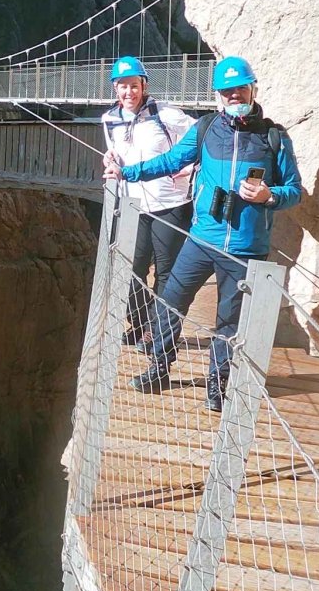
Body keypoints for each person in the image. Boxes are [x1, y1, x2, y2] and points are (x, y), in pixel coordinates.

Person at [104, 56, 302, 412]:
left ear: (253, 89)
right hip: (202, 238)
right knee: (169, 303)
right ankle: (159, 369)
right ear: (218, 95)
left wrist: (269, 195)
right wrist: (127, 173)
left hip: (245, 248)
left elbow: (294, 190)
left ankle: (218, 385)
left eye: (240, 89)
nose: (234, 96)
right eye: (227, 92)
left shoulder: (274, 137)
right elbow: (171, 161)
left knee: (228, 321)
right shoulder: (207, 128)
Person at [101, 55, 196, 350]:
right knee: (132, 268)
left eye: (133, 85)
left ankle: (157, 331)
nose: (128, 92)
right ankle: (140, 324)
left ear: (144, 85)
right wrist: (110, 158)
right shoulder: (110, 120)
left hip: (171, 203)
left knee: (166, 272)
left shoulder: (167, 114)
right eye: (122, 86)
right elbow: (118, 154)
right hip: (134, 205)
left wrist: (187, 168)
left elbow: (201, 140)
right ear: (115, 89)